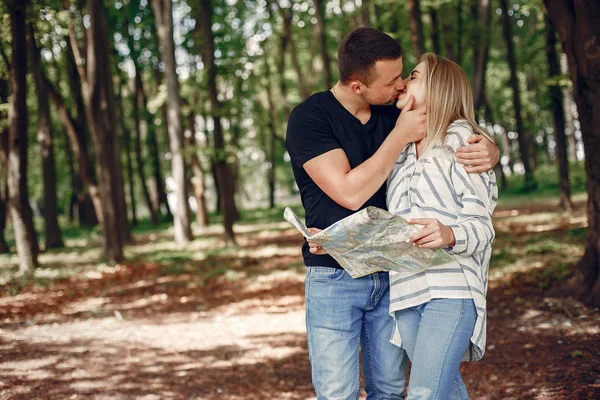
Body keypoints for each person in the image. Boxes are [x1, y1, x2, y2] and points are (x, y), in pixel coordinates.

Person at [285, 28, 498, 400]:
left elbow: (451, 134)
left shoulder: (396, 111)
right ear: (358, 87)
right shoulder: (311, 118)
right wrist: (336, 239)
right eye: (393, 81)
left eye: (405, 75)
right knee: (337, 392)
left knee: (391, 389)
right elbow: (351, 194)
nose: (400, 86)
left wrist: (492, 147)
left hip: (399, 274)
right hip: (336, 275)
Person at [386, 53, 498, 399]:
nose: (403, 82)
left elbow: (483, 225)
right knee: (444, 391)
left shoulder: (461, 141)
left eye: (414, 76)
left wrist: (450, 234)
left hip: (451, 291)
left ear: (439, 89)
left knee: (423, 393)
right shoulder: (400, 154)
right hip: (405, 293)